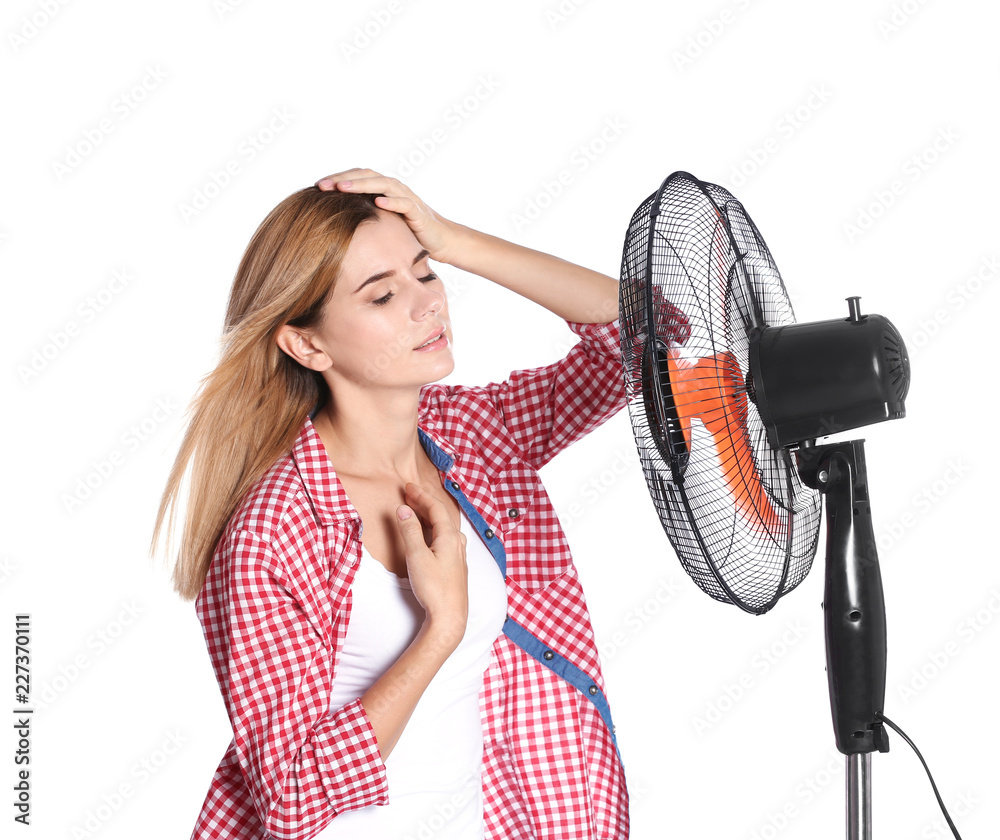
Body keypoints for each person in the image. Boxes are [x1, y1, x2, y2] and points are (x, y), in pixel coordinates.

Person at [152, 168, 630, 839]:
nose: (427, 305)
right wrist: (442, 628)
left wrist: (454, 240)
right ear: (307, 343)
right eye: (381, 297)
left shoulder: (472, 435)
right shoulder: (274, 528)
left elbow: (644, 342)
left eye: (425, 274)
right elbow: (289, 802)